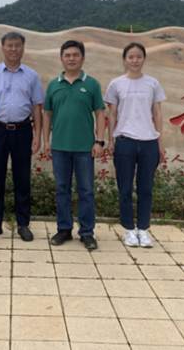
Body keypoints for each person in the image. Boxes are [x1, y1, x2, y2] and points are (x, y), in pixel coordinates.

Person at [0, 31, 44, 242]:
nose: (13, 49)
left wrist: (37, 136)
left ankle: (23, 224)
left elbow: (37, 107)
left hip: (23, 130)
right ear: (3, 48)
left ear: (23, 48)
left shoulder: (31, 75)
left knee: (22, 178)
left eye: (17, 45)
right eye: (10, 45)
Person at [43, 40, 105, 250]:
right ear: (61, 58)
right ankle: (64, 229)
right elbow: (47, 115)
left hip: (85, 148)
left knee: (86, 191)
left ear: (82, 58)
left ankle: (87, 232)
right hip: (60, 147)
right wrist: (46, 141)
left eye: (75, 55)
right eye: (67, 55)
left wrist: (99, 141)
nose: (71, 59)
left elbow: (100, 113)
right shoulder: (54, 84)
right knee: (62, 189)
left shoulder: (92, 84)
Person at [105, 42, 165, 248]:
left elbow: (157, 113)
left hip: (149, 142)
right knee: (125, 188)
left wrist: (160, 141)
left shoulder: (153, 83)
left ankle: (143, 229)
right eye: (130, 57)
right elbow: (112, 114)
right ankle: (129, 230)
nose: (135, 60)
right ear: (124, 60)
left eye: (138, 56)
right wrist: (111, 139)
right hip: (125, 141)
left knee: (146, 188)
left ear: (144, 59)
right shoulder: (116, 84)